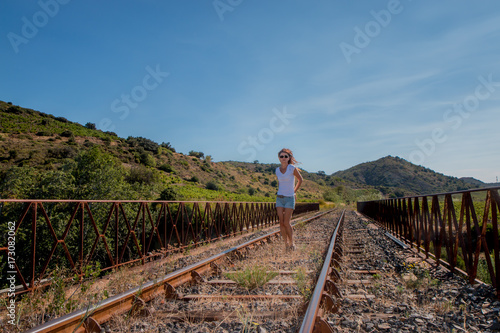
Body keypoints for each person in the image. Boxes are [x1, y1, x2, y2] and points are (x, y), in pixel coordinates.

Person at [275, 148, 303, 251]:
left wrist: (294, 191)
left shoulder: (292, 168)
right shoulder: (277, 170)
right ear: (279, 158)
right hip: (279, 198)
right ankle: (286, 245)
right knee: (281, 222)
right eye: (281, 156)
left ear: (289, 158)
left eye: (285, 156)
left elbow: (300, 180)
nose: (283, 158)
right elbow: (280, 183)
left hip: (289, 198)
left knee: (287, 222)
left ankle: (292, 244)